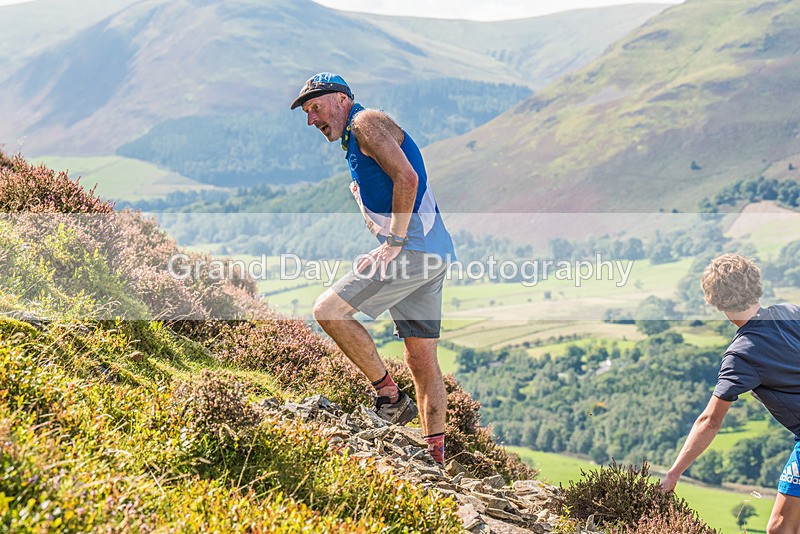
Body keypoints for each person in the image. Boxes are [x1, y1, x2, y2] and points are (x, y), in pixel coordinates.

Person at [290, 72, 456, 466]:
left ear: (343, 99)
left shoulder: (365, 123)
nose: (312, 120)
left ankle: (390, 397)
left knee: (327, 311)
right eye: (308, 113)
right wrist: (383, 236)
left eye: (316, 108)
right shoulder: (355, 141)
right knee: (421, 359)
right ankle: (436, 457)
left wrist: (395, 243)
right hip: (433, 253)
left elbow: (408, 178)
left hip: (413, 252)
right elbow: (397, 190)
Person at [661, 253, 800, 532]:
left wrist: (673, 475)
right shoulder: (791, 312)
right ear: (756, 284)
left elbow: (709, 421)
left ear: (714, 301)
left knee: (781, 529)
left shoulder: (740, 355)